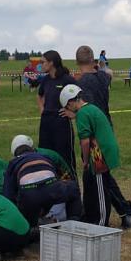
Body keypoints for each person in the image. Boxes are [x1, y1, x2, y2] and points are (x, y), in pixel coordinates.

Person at [72, 45, 131, 226]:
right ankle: (107, 210)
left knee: (100, 174)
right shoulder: (103, 77)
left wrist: (73, 113)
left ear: (77, 61)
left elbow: (86, 110)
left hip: (94, 135)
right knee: (100, 174)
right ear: (93, 59)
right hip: (106, 128)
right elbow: (108, 73)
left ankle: (124, 209)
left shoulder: (82, 84)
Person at [60, 84, 123, 227]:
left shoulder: (82, 114)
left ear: (70, 102)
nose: (68, 109)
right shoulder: (90, 108)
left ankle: (102, 222)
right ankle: (90, 217)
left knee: (101, 190)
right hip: (106, 149)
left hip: (100, 155)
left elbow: (85, 141)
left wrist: (85, 160)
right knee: (96, 183)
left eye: (67, 107)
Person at [3, 134, 82, 227]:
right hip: (51, 189)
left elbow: (8, 194)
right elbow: (56, 176)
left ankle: (31, 227)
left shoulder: (13, 163)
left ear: (14, 154)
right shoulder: (44, 157)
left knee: (26, 204)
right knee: (73, 188)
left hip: (29, 196)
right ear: (32, 149)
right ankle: (73, 222)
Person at [36, 50, 77, 178]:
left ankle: (71, 184)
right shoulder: (45, 80)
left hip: (61, 122)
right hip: (46, 123)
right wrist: (42, 109)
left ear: (51, 63)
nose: (41, 65)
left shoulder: (66, 79)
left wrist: (73, 113)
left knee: (64, 157)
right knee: (45, 155)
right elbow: (39, 95)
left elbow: (81, 97)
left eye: (43, 62)